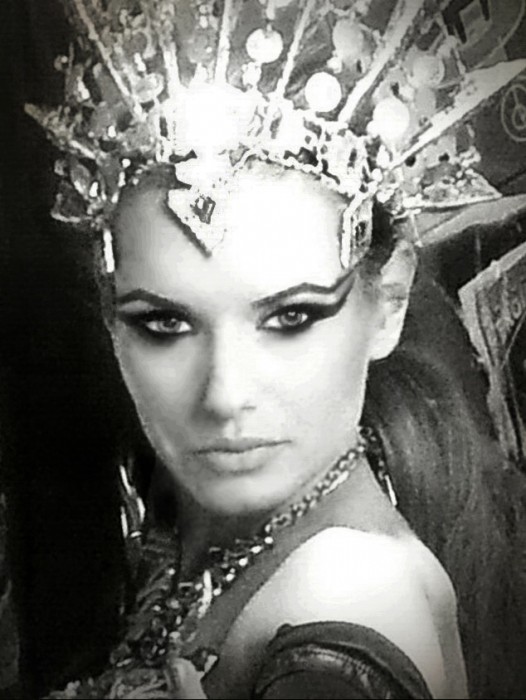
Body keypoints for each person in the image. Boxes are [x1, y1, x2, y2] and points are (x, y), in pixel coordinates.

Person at [25, 0, 526, 698]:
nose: (225, 395)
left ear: (388, 303)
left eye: (292, 317)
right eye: (164, 323)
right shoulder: (233, 529)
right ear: (111, 318)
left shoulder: (343, 604)